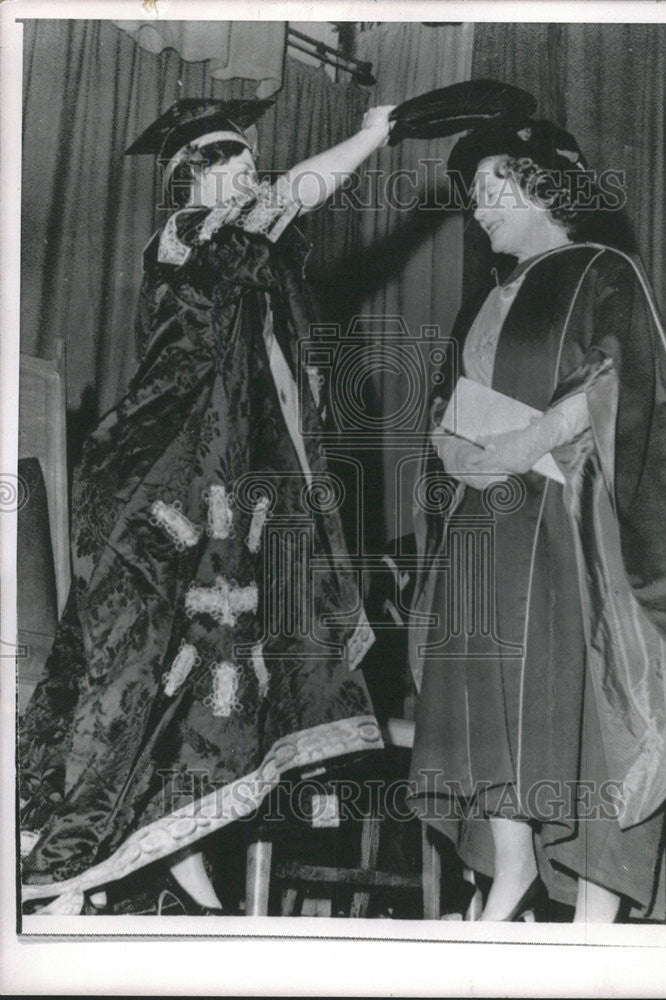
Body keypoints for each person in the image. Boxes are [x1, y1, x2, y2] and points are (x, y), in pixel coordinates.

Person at [19, 98, 395, 915]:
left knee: (203, 681)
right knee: (146, 667)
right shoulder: (191, 235)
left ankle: (175, 861)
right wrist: (372, 134)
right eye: (230, 159)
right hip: (164, 484)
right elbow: (297, 192)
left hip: (222, 489)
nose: (249, 172)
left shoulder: (247, 255)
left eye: (247, 159)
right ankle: (79, 858)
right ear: (191, 174)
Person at [407, 115, 666, 922]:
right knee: (480, 691)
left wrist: (529, 437)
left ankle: (594, 908)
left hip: (565, 523)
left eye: (497, 188)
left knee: (574, 699)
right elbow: (450, 402)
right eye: (474, 193)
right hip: (484, 519)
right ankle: (510, 867)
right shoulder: (487, 297)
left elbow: (619, 380)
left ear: (544, 189)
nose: (479, 206)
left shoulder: (601, 268)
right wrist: (448, 446)